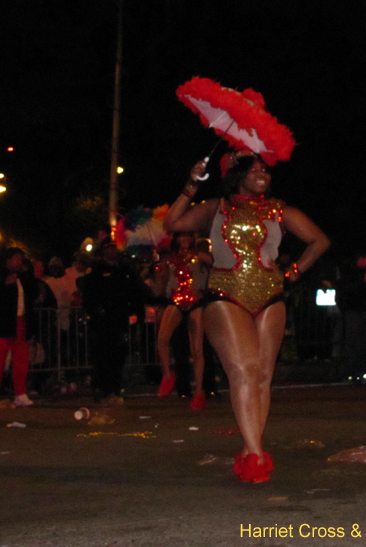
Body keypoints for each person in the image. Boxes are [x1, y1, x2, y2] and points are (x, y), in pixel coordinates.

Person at [164, 151, 330, 483]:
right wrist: (192, 183)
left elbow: (319, 241)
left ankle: (249, 448)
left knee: (263, 377)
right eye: (253, 169)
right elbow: (172, 224)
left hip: (270, 297)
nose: (261, 173)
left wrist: (293, 273)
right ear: (236, 175)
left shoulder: (279, 209)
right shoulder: (216, 208)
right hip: (226, 295)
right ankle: (256, 454)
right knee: (244, 371)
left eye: (264, 169)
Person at [81, 241, 146, 403]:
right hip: (102, 320)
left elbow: (136, 290)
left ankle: (115, 388)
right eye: (108, 248)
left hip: (120, 318)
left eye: (113, 247)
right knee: (102, 354)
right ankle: (101, 387)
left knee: (118, 354)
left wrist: (137, 311)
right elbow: (88, 293)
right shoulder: (96, 269)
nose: (111, 250)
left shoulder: (124, 269)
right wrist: (95, 312)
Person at [154, 232, 212, 409]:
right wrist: (161, 270)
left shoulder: (199, 255)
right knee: (162, 339)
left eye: (188, 236)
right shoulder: (170, 258)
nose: (185, 240)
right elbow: (160, 286)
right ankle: (168, 374)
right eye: (182, 236)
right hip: (176, 301)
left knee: (197, 350)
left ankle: (199, 391)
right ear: (177, 239)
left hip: (196, 303)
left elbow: (213, 262)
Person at [0, 247, 39, 408]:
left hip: (20, 322)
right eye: (16, 259)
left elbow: (34, 294)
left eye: (21, 259)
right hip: (0, 325)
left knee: (21, 361)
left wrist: (28, 274)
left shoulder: (23, 277)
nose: (19, 262)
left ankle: (20, 393)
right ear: (8, 261)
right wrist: (5, 286)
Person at [335, 249, 366, 383]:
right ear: (359, 259)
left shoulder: (364, 273)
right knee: (354, 342)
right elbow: (345, 290)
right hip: (353, 311)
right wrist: (362, 281)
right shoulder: (349, 272)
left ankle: (362, 371)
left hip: (365, 311)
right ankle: (351, 371)